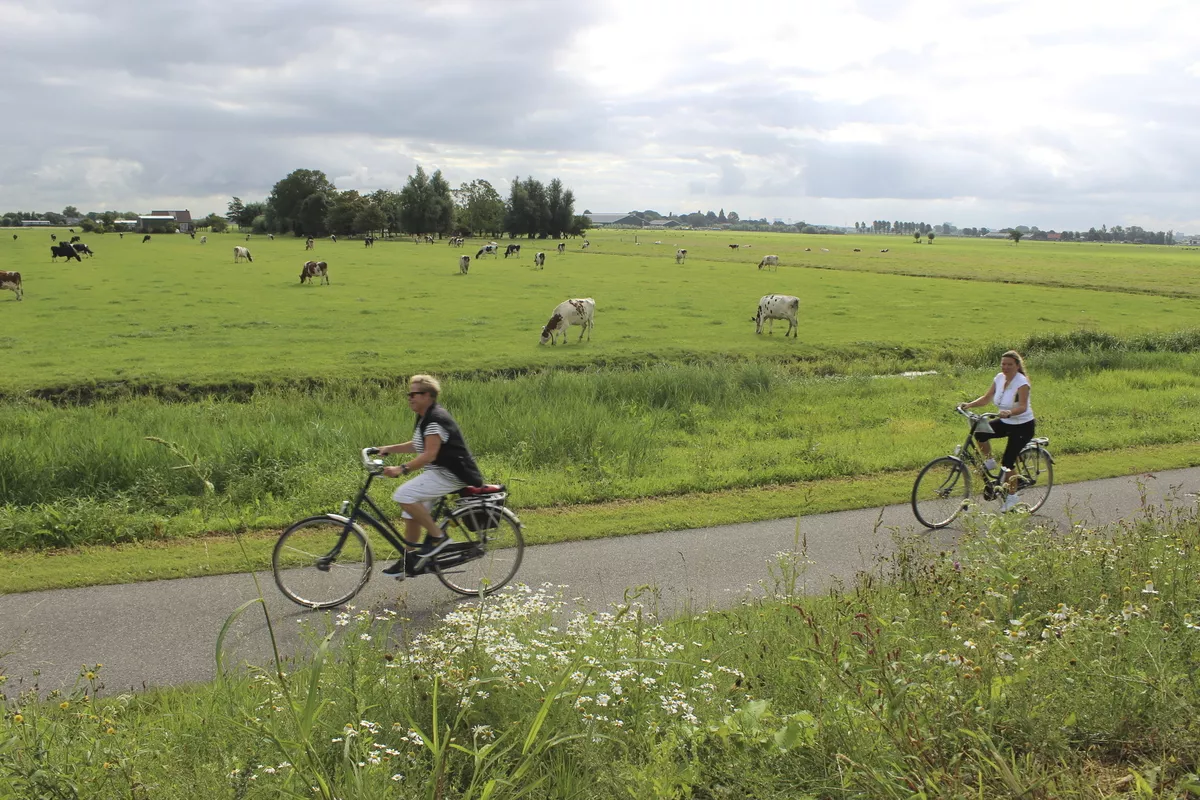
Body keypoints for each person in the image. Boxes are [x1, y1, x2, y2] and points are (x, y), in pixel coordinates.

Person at [373, 374, 484, 575]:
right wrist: (389, 448)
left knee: (403, 495)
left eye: (415, 393)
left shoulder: (435, 419)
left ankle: (439, 538)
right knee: (410, 514)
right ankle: (409, 560)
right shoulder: (425, 417)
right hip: (439, 471)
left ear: (428, 396)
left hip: (451, 474)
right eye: (409, 393)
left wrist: (402, 469)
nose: (410, 397)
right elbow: (418, 445)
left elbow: (429, 454)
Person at [957, 350, 1036, 512]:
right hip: (1006, 422)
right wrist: (969, 405)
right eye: (1003, 364)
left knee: (1008, 462)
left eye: (1009, 364)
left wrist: (1010, 412)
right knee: (980, 432)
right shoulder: (999, 378)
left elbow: (1022, 406)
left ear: (1017, 366)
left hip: (1023, 426)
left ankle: (1012, 498)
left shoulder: (1022, 383)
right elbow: (986, 398)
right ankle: (989, 461)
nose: (1005, 367)